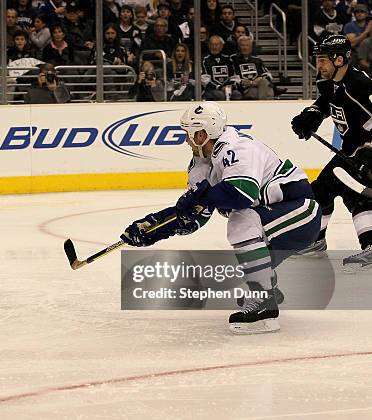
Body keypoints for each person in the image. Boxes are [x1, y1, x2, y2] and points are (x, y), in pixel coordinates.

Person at [121, 102, 321, 334]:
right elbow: (195, 216)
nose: (186, 139)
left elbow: (242, 193)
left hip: (302, 214)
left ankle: (265, 304)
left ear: (203, 133)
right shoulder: (200, 165)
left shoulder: (238, 147)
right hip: (279, 217)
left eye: (189, 133)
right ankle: (269, 289)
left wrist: (201, 197)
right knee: (246, 232)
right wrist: (155, 227)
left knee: (242, 221)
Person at [291, 34, 372, 269]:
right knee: (342, 195)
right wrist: (311, 115)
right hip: (351, 152)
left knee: (324, 189)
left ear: (339, 59)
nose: (319, 65)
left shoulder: (361, 85)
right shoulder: (329, 82)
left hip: (364, 153)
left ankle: (316, 242)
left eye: (323, 60)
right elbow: (325, 102)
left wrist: (369, 155)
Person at [232, 35, 274, 100]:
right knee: (268, 93)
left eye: (247, 45)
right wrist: (245, 82)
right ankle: (264, 107)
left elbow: (268, 75)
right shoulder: (233, 59)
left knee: (264, 82)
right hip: (244, 88)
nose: (245, 48)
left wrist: (259, 79)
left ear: (251, 47)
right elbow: (232, 76)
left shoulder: (257, 60)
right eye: (242, 45)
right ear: (238, 47)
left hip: (258, 86)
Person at [201, 35, 241, 100]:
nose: (214, 47)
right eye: (212, 44)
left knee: (237, 94)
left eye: (216, 44)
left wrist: (231, 86)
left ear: (221, 46)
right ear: (209, 45)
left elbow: (234, 77)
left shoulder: (228, 59)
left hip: (227, 89)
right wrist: (220, 87)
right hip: (210, 90)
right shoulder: (204, 60)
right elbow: (204, 81)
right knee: (220, 95)